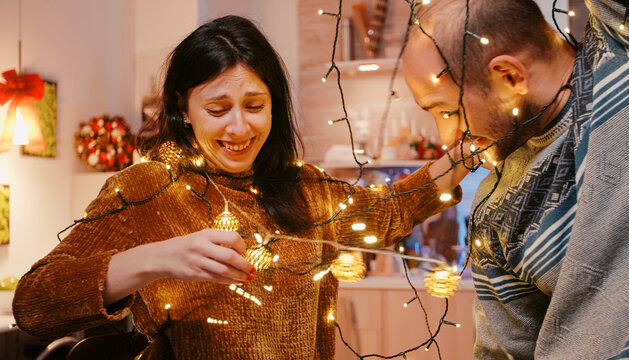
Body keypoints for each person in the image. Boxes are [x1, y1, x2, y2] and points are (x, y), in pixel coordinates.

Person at [13, 15, 470, 359]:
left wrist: (471, 149)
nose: (239, 127)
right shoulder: (145, 188)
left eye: (255, 105)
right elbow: (34, 304)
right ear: (183, 107)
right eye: (217, 108)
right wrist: (154, 258)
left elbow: (393, 208)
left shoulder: (306, 189)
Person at [402, 0, 629, 359]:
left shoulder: (624, 43)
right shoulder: (493, 210)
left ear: (510, 76)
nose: (447, 137)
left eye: (448, 111)